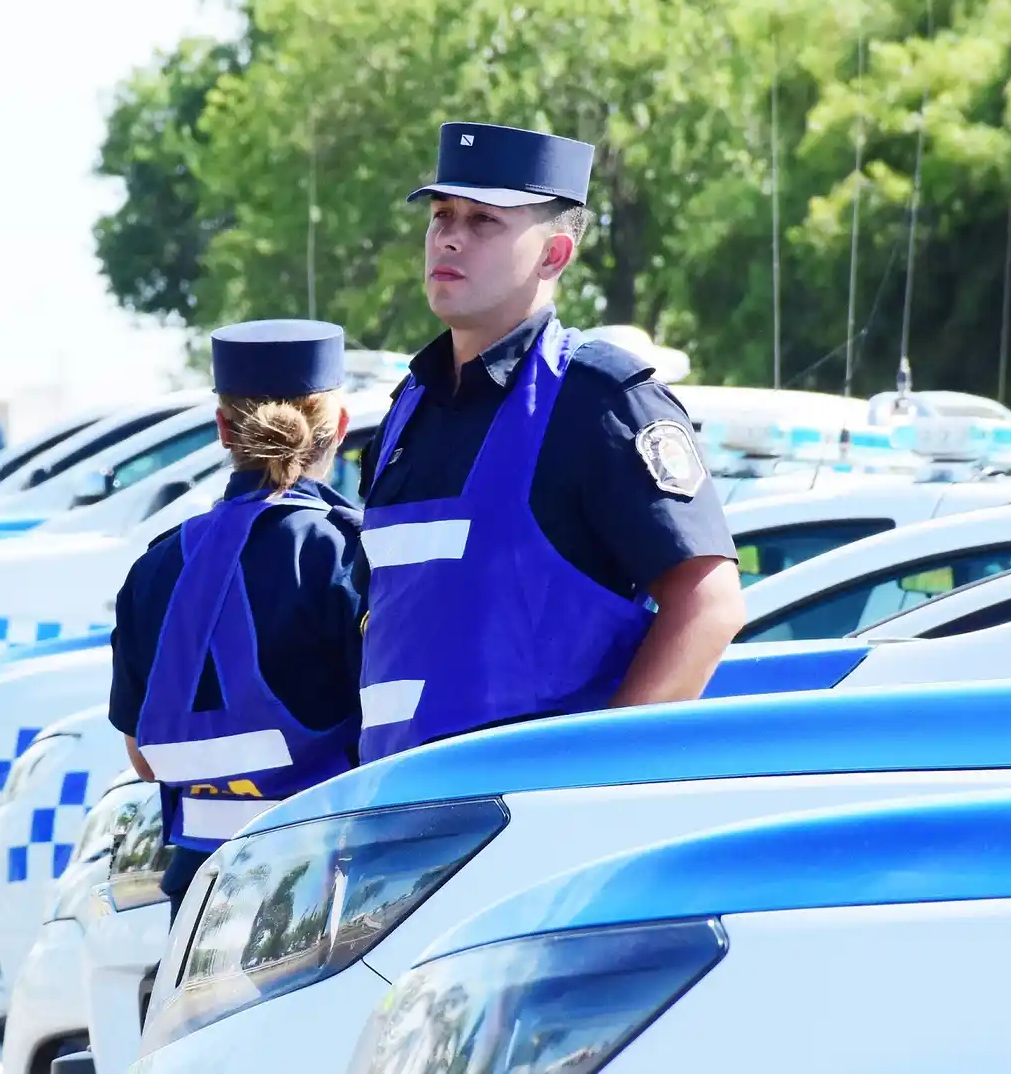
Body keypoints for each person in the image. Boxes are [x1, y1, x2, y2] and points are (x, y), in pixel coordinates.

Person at [356, 122, 746, 764]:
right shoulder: (408, 408)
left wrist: (598, 774)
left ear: (554, 255)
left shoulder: (597, 399)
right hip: (395, 815)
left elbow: (708, 605)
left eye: (484, 222)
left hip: (526, 822)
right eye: (441, 215)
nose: (449, 235)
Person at [108, 319, 364, 911]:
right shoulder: (350, 552)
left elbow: (143, 759)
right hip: (325, 894)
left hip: (199, 899)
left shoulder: (156, 566)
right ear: (340, 428)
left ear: (223, 428)